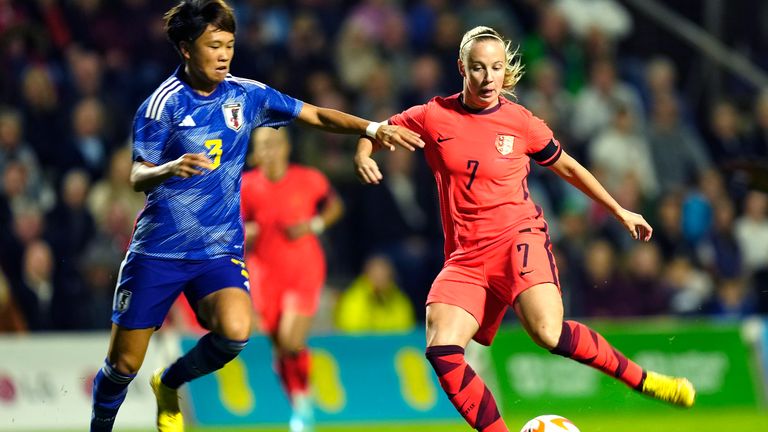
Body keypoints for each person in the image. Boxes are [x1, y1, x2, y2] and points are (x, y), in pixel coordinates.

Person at [88, 2, 423, 432]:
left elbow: (315, 114)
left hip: (217, 250)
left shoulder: (246, 95)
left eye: (229, 44)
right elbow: (137, 173)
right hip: (160, 250)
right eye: (214, 45)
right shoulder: (161, 106)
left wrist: (371, 129)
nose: (224, 54)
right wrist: (167, 168)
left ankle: (169, 380)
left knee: (235, 331)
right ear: (187, 49)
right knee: (122, 364)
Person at [354, 26, 695, 432]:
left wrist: (619, 210)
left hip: (518, 239)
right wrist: (363, 152)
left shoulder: (520, 122)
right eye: (478, 68)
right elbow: (375, 131)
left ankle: (645, 381)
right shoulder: (433, 115)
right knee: (442, 349)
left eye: (496, 68)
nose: (487, 78)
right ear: (461, 67)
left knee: (548, 333)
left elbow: (567, 166)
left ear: (504, 71)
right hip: (465, 257)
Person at [240, 126, 343, 432]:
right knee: (280, 347)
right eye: (262, 146)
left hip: (304, 269)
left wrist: (314, 225)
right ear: (255, 154)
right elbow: (230, 227)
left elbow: (334, 206)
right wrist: (249, 232)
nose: (269, 152)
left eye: (273, 144)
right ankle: (300, 404)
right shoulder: (245, 187)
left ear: (285, 147)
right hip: (264, 276)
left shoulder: (309, 179)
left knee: (290, 339)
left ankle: (301, 407)